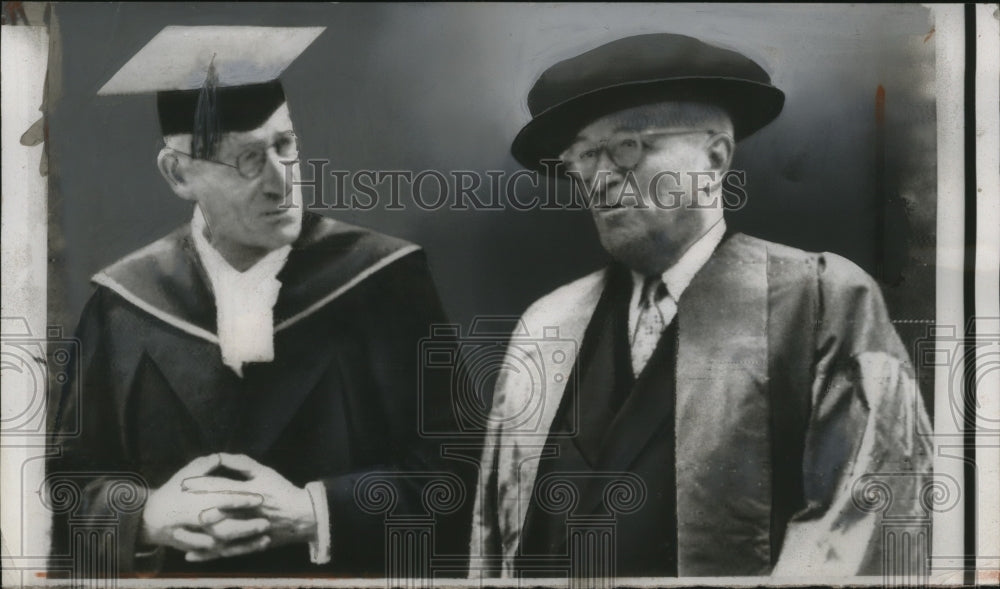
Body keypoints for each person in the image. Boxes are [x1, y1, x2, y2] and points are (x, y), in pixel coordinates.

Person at [470, 33, 933, 578]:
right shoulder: (546, 326)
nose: (600, 177)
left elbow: (864, 512)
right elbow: (495, 541)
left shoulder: (820, 300)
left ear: (716, 156)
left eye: (628, 147)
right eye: (586, 155)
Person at [47, 26, 467, 577]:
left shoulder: (383, 281)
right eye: (247, 161)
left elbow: (462, 475)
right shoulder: (124, 304)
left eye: (285, 145)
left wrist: (316, 511)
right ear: (178, 174)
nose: (281, 181)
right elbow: (69, 489)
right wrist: (147, 516)